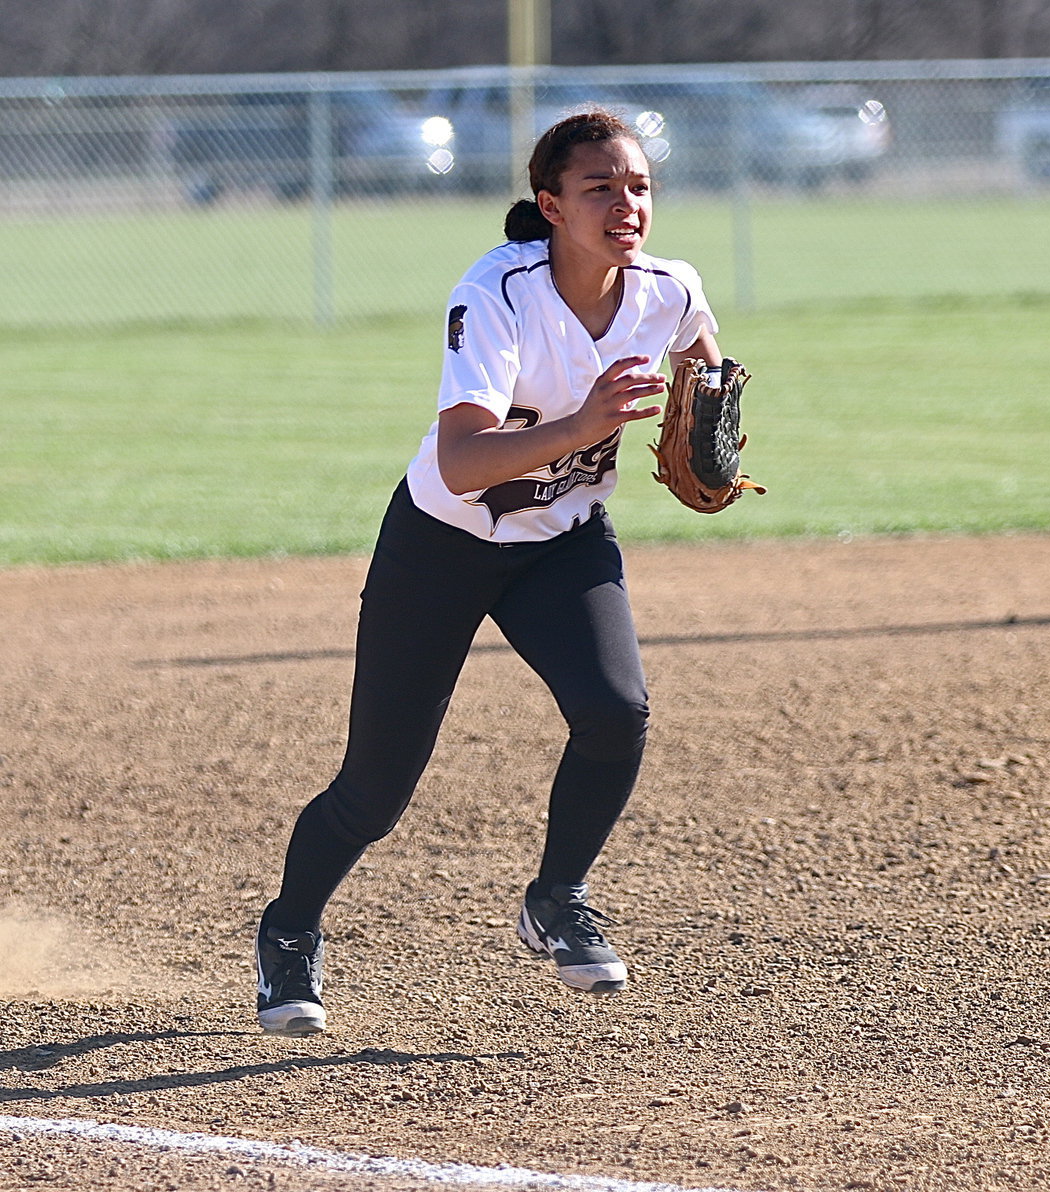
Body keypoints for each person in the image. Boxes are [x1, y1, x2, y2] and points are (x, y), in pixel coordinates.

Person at [255, 109, 725, 1036]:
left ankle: (556, 896)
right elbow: (465, 460)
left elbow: (709, 368)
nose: (626, 205)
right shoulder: (499, 292)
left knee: (616, 711)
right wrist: (586, 425)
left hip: (563, 544)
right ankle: (289, 930)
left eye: (638, 188)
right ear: (550, 205)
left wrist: (710, 425)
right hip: (443, 546)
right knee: (377, 788)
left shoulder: (668, 289)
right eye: (599, 189)